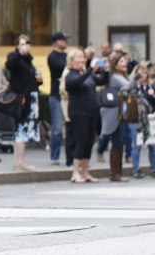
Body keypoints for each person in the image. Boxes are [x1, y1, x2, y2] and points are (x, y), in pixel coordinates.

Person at [64, 49, 108, 182]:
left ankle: (85, 172)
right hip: (79, 113)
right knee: (81, 141)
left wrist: (105, 69)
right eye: (78, 58)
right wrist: (90, 69)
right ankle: (75, 172)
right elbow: (76, 83)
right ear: (71, 61)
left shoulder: (87, 74)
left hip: (91, 112)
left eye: (82, 58)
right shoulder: (71, 75)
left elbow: (101, 81)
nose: (81, 60)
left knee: (89, 142)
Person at [5, 35, 42, 171]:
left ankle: (19, 161)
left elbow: (29, 77)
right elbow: (9, 65)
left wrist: (39, 80)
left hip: (30, 96)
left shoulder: (28, 59)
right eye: (21, 44)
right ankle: (19, 161)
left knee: (25, 128)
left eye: (26, 44)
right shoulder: (15, 57)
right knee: (21, 128)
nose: (24, 46)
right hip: (21, 99)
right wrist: (20, 53)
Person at [100, 51, 131, 182]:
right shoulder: (115, 77)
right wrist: (139, 76)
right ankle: (115, 173)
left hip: (121, 113)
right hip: (115, 114)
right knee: (117, 141)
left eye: (125, 61)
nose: (125, 64)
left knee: (120, 141)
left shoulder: (122, 76)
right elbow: (129, 86)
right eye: (122, 62)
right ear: (115, 65)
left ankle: (118, 172)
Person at [128, 62, 155, 178]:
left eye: (144, 73)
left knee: (152, 145)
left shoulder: (150, 87)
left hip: (150, 118)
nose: (143, 76)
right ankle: (136, 169)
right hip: (137, 120)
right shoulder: (134, 87)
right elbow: (127, 90)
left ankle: (153, 168)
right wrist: (135, 79)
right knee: (137, 145)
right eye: (140, 73)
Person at [47, 32, 69, 165]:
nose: (66, 42)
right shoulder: (52, 57)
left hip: (68, 95)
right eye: (63, 40)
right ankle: (54, 156)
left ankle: (70, 156)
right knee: (57, 129)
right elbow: (64, 67)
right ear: (57, 42)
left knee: (70, 127)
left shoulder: (67, 56)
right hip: (56, 95)